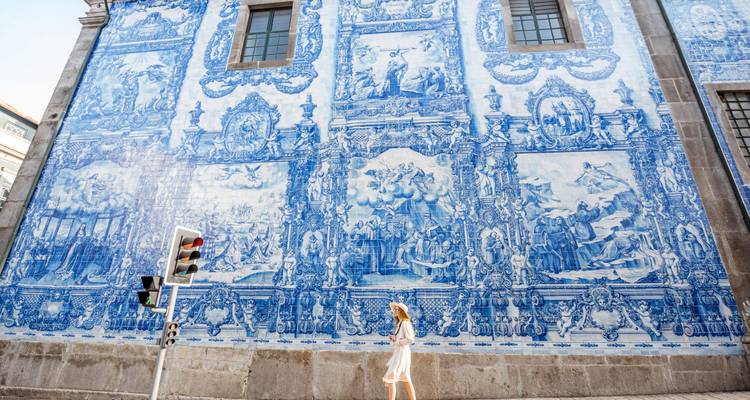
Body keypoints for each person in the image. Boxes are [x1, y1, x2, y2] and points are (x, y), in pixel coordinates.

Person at [383, 302, 417, 400]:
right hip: (399, 352)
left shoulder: (405, 323)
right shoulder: (400, 323)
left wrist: (396, 340)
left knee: (391, 376)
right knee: (406, 378)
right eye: (395, 309)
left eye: (397, 309)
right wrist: (394, 338)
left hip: (402, 353)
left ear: (402, 311)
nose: (395, 311)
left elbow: (410, 339)